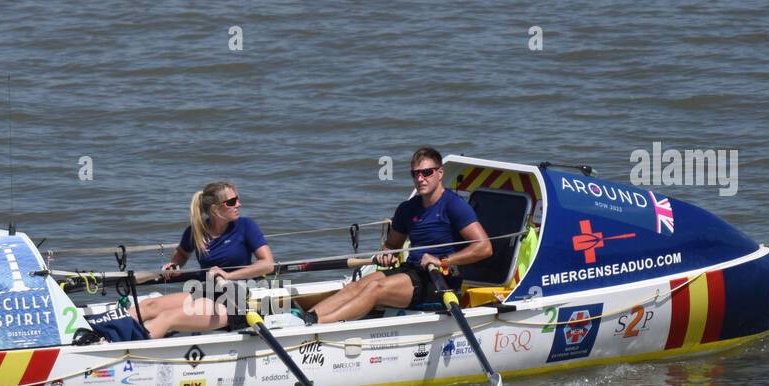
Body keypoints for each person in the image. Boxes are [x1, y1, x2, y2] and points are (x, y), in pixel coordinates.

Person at [307, 148, 492, 325]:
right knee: (355, 287)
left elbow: (484, 248)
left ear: (440, 173)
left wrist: (442, 261)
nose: (420, 179)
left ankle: (320, 326)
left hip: (440, 280)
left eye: (426, 172)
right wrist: (386, 254)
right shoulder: (407, 208)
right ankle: (307, 320)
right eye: (415, 174)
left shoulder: (454, 206)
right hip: (412, 271)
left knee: (374, 289)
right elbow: (392, 246)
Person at [82, 181, 274, 341]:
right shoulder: (196, 231)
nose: (238, 204)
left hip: (233, 300)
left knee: (168, 317)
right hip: (203, 292)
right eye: (232, 201)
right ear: (215, 209)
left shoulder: (246, 226)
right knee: (150, 306)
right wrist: (174, 266)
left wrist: (228, 275)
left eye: (237, 199)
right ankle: (97, 331)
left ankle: (117, 348)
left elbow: (267, 264)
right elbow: (181, 255)